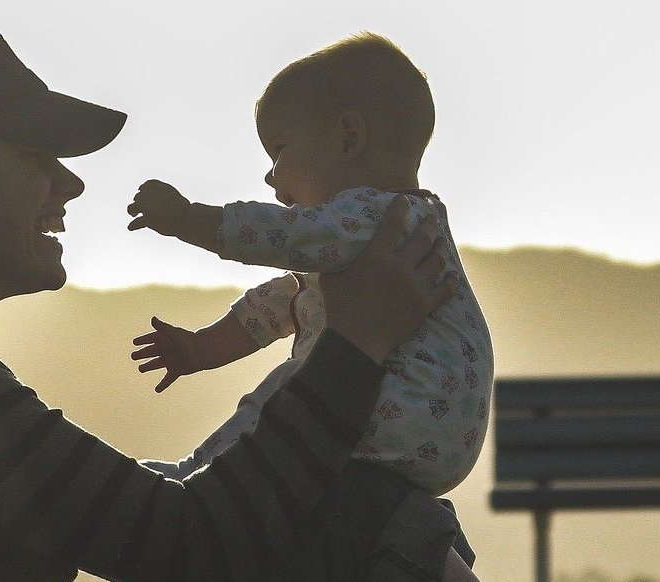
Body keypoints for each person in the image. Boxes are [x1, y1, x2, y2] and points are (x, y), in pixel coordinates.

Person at [0, 22, 457, 581]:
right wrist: (357, 344)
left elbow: (143, 523)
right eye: (37, 157)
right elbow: (190, 546)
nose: (70, 185)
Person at [123, 32, 488, 579]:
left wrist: (188, 219)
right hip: (430, 436)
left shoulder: (374, 214)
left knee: (281, 401)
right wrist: (201, 347)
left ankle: (191, 484)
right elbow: (282, 305)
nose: (271, 176)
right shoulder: (393, 233)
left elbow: (278, 235)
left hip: (398, 412)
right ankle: (191, 481)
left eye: (280, 152)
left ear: (348, 137)